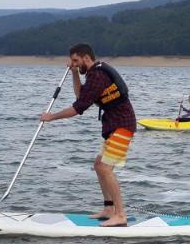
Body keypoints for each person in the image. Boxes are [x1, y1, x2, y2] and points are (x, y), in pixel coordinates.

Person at [39, 43, 136, 227]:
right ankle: (109, 209)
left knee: (105, 168)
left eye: (76, 61)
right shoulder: (93, 74)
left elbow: (78, 108)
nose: (74, 64)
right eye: (72, 61)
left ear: (86, 57)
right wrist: (74, 73)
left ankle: (120, 214)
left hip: (122, 126)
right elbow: (80, 96)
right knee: (99, 165)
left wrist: (51, 117)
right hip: (115, 125)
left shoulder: (98, 75)